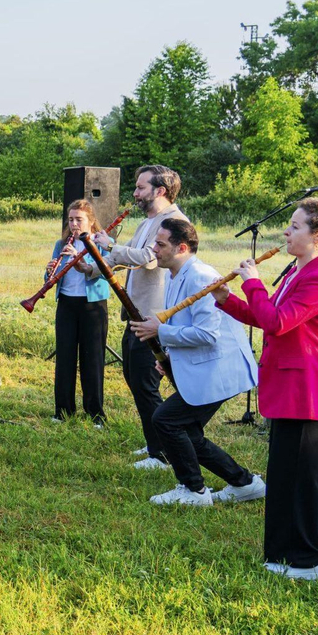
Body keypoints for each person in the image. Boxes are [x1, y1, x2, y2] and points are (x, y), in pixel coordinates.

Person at [216, 196, 318, 580]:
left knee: (297, 477)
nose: (286, 232)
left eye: (295, 227)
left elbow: (278, 321)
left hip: (307, 388)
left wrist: (253, 285)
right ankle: (308, 544)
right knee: (287, 475)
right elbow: (268, 318)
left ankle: (310, 561)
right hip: (291, 385)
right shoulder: (299, 271)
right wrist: (228, 299)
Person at [127, 218, 263, 508]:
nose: (154, 249)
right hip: (207, 368)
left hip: (220, 370)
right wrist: (171, 359)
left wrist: (159, 331)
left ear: (182, 247)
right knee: (187, 430)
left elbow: (208, 335)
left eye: (160, 244)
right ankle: (245, 483)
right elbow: (187, 326)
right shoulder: (177, 274)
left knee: (166, 420)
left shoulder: (200, 276)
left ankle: (194, 490)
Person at [86, 164, 188, 468]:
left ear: (160, 191)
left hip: (154, 315)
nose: (135, 193)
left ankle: (163, 453)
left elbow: (149, 260)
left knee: (146, 382)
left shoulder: (173, 221)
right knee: (134, 377)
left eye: (141, 187)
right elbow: (124, 257)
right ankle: (154, 442)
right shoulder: (150, 221)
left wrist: (111, 245)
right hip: (136, 313)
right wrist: (90, 267)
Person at [46, 201, 113, 425]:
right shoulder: (61, 243)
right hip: (66, 303)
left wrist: (80, 258)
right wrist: (49, 272)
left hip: (93, 306)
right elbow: (50, 279)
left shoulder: (103, 243)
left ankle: (96, 414)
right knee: (64, 358)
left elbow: (105, 273)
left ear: (91, 221)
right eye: (71, 219)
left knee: (92, 360)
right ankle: (63, 411)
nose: (74, 224)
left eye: (79, 219)